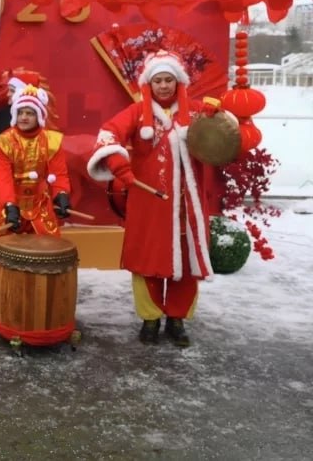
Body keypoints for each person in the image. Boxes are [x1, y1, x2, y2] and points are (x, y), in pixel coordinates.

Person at [86, 50, 220, 347]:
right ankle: (149, 318)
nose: (163, 86)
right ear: (149, 84)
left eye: (168, 80)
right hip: (150, 204)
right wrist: (119, 166)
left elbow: (231, 134)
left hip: (188, 204)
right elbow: (107, 134)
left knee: (186, 263)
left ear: (177, 82)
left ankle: (177, 319)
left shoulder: (197, 112)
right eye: (158, 80)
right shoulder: (135, 113)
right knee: (147, 259)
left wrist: (224, 121)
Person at [0, 84, 72, 318]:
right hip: (7, 206)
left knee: (55, 254)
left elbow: (59, 173)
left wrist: (62, 194)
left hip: (39, 205)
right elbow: (3, 179)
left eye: (29, 113)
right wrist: (10, 206)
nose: (24, 117)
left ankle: (51, 299)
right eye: (20, 112)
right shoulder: (3, 142)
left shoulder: (52, 141)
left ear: (39, 115)